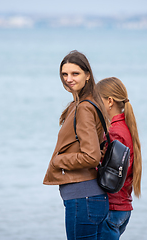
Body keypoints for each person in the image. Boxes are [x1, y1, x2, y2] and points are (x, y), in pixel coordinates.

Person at [43, 50, 110, 240]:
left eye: (75, 74)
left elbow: (91, 156)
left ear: (88, 75)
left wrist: (59, 161)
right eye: (64, 74)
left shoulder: (84, 108)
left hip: (84, 197)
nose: (68, 79)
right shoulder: (84, 103)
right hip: (88, 197)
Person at [96, 77, 142, 240]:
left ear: (109, 101)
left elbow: (113, 175)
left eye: (97, 100)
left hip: (111, 207)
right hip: (123, 206)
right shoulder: (127, 128)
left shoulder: (114, 132)